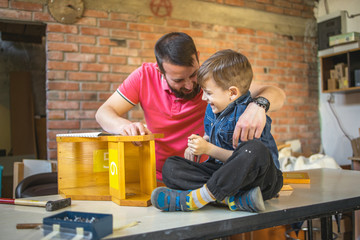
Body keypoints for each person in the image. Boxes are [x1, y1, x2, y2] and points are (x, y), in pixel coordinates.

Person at [95, 32, 285, 181]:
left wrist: (258, 106)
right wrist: (123, 126)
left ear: (197, 57)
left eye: (193, 75)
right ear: (160, 70)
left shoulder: (212, 80)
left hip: (211, 171)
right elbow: (103, 113)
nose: (190, 85)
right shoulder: (144, 76)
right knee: (173, 169)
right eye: (178, 80)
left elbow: (275, 92)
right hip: (165, 173)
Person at [151, 49, 283, 213]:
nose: (203, 98)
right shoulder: (213, 108)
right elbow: (213, 135)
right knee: (171, 167)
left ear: (232, 93)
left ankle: (197, 198)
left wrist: (209, 150)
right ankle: (233, 199)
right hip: (225, 176)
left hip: (260, 179)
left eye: (209, 93)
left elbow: (248, 160)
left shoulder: (250, 117)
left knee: (255, 149)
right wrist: (200, 144)